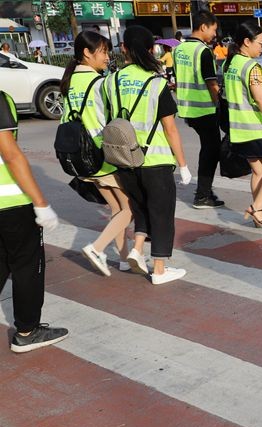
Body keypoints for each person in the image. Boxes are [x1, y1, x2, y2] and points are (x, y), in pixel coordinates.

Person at [105, 25, 192, 285]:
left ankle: (137, 249)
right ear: (151, 49)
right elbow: (170, 128)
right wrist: (184, 164)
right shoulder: (156, 84)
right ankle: (160, 270)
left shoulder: (110, 81)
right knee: (162, 213)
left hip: (123, 160)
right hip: (155, 159)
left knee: (141, 207)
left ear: (123, 49)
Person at [0, 90, 68, 353]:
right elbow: (11, 155)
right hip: (11, 202)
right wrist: (40, 202)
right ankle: (27, 331)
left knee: (3, 260)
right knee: (27, 265)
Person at [60, 31, 133, 276]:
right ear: (87, 53)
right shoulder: (100, 83)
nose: (106, 56)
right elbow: (109, 121)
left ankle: (123, 258)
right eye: (102, 51)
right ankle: (97, 247)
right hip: (102, 157)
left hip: (80, 158)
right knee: (129, 207)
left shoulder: (69, 82)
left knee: (117, 208)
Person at [223, 21, 262, 228]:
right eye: (260, 43)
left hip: (240, 130)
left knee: (259, 171)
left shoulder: (229, 64)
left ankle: (261, 214)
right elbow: (260, 98)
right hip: (257, 129)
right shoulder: (252, 67)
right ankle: (257, 207)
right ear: (246, 42)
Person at [174, 10, 224, 209]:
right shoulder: (203, 51)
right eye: (213, 30)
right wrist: (219, 103)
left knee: (208, 148)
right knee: (211, 151)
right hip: (205, 109)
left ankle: (204, 191)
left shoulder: (179, 49)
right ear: (203, 27)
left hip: (187, 109)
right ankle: (203, 195)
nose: (214, 34)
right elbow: (211, 84)